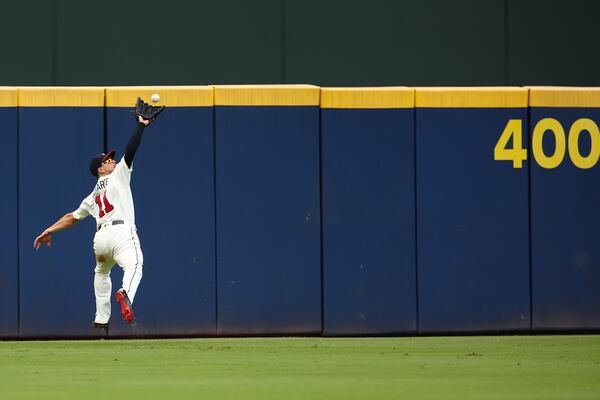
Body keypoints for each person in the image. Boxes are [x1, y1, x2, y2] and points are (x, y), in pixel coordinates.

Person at [33, 100, 163, 332]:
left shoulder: (93, 194)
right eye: (108, 160)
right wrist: (142, 125)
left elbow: (71, 217)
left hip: (101, 240)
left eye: (111, 158)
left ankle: (102, 318)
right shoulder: (119, 175)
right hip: (122, 233)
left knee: (101, 272)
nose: (112, 161)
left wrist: (49, 230)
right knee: (135, 266)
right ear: (100, 169)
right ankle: (126, 293)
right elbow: (131, 150)